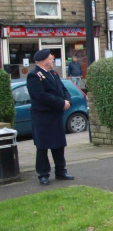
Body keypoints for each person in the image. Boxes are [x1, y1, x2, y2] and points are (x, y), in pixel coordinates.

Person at [26, 49, 74, 186]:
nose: (53, 60)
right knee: (43, 146)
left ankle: (61, 171)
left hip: (56, 115)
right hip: (43, 117)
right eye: (50, 58)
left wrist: (67, 101)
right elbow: (41, 96)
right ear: (42, 61)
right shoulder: (34, 76)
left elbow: (63, 89)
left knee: (59, 145)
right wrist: (61, 103)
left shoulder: (53, 73)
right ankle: (43, 174)